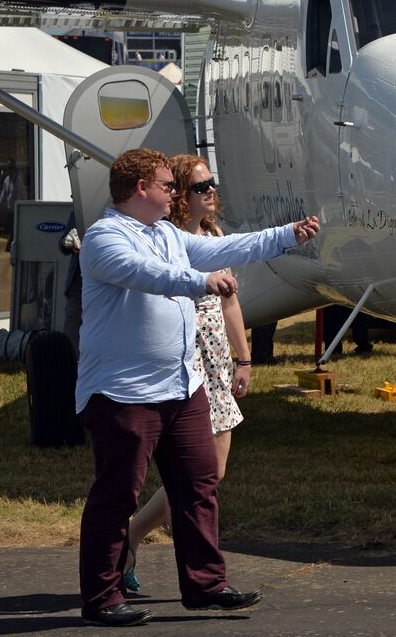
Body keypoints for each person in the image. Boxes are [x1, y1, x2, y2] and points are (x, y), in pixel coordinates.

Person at [76, 148, 319, 627]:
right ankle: (102, 597)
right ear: (141, 188)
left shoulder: (166, 232)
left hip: (182, 387)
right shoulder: (104, 238)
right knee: (117, 495)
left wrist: (285, 236)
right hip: (123, 393)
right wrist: (199, 282)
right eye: (168, 186)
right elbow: (146, 275)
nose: (175, 194)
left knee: (198, 486)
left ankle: (206, 586)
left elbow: (227, 250)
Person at [121, 155, 253, 594]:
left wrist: (245, 357)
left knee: (213, 471)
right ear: (178, 193)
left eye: (212, 183)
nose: (211, 191)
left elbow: (230, 300)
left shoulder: (214, 235)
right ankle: (193, 571)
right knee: (201, 473)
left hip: (217, 359)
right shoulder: (170, 241)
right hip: (187, 359)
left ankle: (134, 536)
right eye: (200, 186)